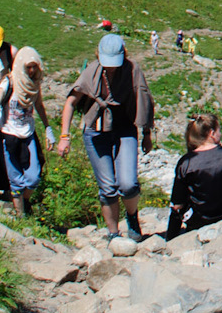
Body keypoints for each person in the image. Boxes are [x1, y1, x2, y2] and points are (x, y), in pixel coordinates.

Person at [57, 33, 155, 239]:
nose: (111, 67)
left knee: (128, 184)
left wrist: (146, 133)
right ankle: (113, 233)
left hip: (125, 127)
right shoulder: (91, 71)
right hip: (96, 130)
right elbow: (71, 102)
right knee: (108, 187)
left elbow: (144, 101)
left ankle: (132, 216)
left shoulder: (133, 70)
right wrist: (64, 136)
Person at [0, 45, 48, 218]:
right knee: (15, 179)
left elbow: (38, 104)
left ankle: (21, 201)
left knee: (33, 178)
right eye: (28, 67)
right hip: (8, 134)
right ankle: (21, 216)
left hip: (28, 133)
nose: (31, 71)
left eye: (34, 67)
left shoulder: (34, 84)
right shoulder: (8, 83)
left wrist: (48, 128)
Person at [164, 113, 222, 237]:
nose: (220, 134)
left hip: (199, 222)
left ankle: (171, 239)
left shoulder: (186, 163)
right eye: (219, 131)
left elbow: (177, 204)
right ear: (212, 133)